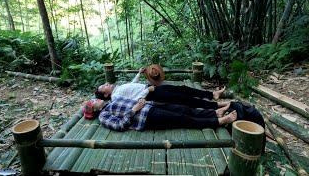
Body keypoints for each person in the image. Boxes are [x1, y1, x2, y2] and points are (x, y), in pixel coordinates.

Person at [95, 64, 228, 110]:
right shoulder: (116, 97)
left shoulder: (118, 89)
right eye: (104, 86)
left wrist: (138, 74)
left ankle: (212, 95)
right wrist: (148, 90)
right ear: (106, 94)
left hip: (151, 88)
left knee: (183, 89)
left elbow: (132, 86)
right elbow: (134, 101)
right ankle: (214, 106)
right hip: (151, 94)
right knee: (183, 98)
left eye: (105, 83)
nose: (107, 84)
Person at [83, 97, 237, 132]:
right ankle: (219, 121)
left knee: (183, 109)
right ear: (94, 110)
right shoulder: (104, 116)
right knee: (183, 119)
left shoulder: (111, 101)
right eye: (93, 102)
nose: (95, 99)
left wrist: (141, 101)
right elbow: (119, 125)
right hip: (146, 118)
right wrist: (135, 109)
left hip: (149, 107)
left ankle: (214, 112)